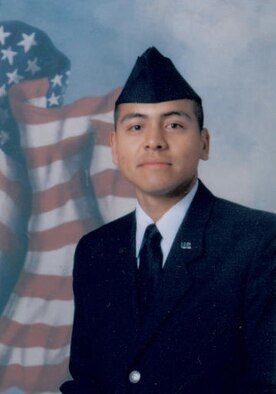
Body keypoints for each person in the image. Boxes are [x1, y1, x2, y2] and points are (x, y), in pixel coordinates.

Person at [60, 47, 276, 393]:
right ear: (115, 148)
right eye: (136, 126)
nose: (154, 142)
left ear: (204, 143)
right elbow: (87, 382)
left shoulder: (261, 242)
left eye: (174, 124)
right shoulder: (95, 250)